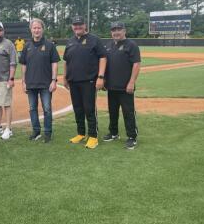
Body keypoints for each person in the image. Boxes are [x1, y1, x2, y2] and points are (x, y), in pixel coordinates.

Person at [63, 16, 107, 149]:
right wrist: (65, 77)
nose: (77, 27)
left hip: (89, 81)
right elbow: (66, 61)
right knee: (78, 109)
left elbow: (103, 57)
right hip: (73, 81)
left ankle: (93, 136)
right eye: (75, 25)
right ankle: (81, 133)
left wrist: (100, 77)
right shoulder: (70, 41)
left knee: (89, 109)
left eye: (80, 25)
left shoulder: (94, 40)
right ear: (72, 27)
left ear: (85, 25)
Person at [20, 18, 60, 143]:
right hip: (31, 83)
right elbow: (23, 65)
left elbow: (54, 63)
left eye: (39, 28)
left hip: (46, 84)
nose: (36, 30)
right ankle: (36, 131)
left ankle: (47, 132)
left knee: (47, 109)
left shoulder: (49, 45)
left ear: (42, 29)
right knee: (32, 108)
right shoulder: (27, 46)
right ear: (31, 30)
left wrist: (54, 80)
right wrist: (23, 81)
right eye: (34, 28)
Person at [103, 22, 141, 150]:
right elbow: (105, 64)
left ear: (124, 31)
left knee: (128, 112)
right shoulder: (108, 46)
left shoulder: (131, 45)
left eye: (118, 29)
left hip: (126, 87)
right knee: (112, 112)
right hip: (111, 86)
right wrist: (104, 81)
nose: (116, 32)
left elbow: (136, 64)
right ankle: (113, 133)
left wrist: (131, 82)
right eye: (113, 30)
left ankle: (132, 137)